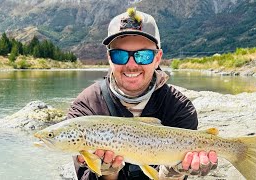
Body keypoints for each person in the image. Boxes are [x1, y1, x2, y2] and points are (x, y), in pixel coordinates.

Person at [68, 8, 218, 180]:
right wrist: (108, 174)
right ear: (109, 58)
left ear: (157, 58)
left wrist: (172, 173)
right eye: (119, 55)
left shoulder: (179, 107)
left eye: (143, 56)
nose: (132, 65)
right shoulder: (85, 107)